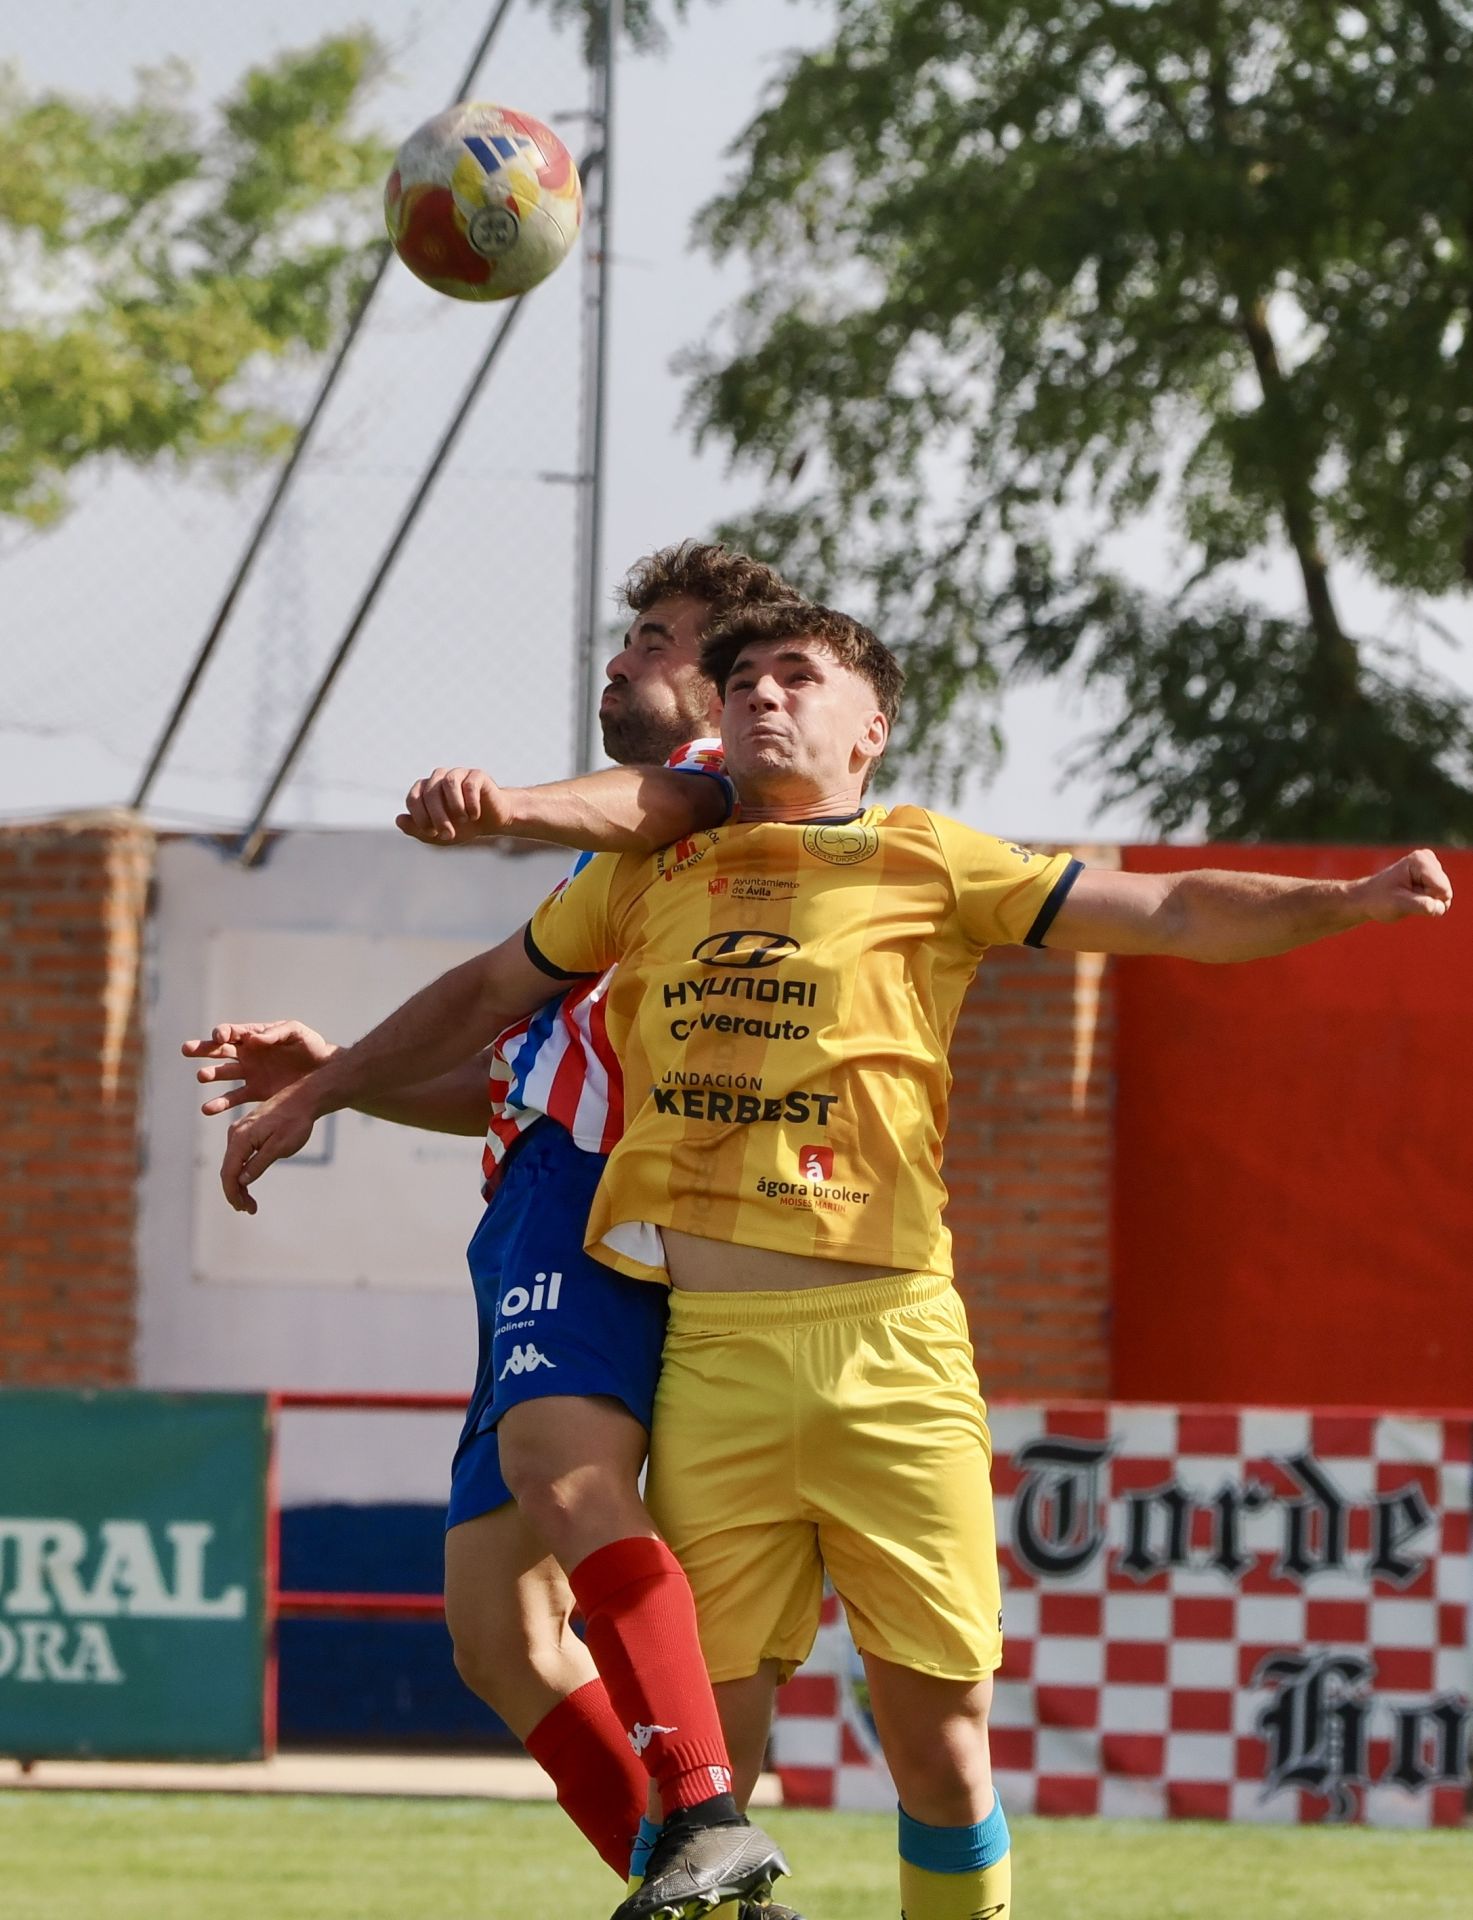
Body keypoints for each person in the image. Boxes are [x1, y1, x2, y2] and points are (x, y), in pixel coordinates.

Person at [213, 598, 1453, 1920]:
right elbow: (480, 1000)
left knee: (937, 1745)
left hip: (889, 1347)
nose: (760, 695)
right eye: (742, 677)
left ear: (870, 731)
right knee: (705, 1788)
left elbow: (1173, 912)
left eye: (797, 677)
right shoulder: (644, 878)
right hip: (714, 1362)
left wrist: (1347, 901)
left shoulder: (930, 860)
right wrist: (325, 1087)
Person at [186, 542, 802, 1919]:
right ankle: (727, 1905)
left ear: (721, 678)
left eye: (654, 635)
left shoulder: (706, 791)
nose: (622, 653)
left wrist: (506, 804)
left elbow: (640, 797)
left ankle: (706, 1813)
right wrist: (338, 1069)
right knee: (496, 1633)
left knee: (564, 1470)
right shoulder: (622, 862)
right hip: (533, 1197)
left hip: (593, 1204)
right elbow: (512, 1081)